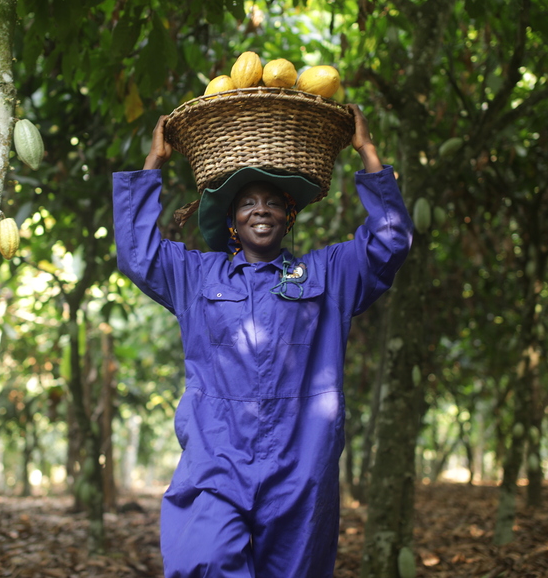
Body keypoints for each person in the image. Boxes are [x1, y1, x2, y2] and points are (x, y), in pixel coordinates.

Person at [112, 104, 413, 577]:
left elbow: (389, 242)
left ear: (288, 215)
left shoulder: (326, 273)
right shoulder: (196, 274)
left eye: (272, 201)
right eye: (249, 202)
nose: (261, 210)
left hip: (302, 462)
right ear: (232, 220)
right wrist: (154, 163)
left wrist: (367, 151)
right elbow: (137, 253)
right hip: (216, 458)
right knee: (201, 559)